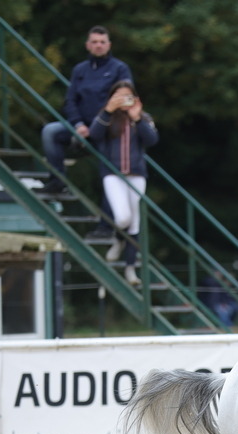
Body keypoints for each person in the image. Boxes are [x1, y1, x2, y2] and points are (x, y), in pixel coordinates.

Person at [38, 26, 132, 208]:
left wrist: (99, 125)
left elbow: (125, 100)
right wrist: (79, 124)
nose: (98, 46)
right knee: (50, 131)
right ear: (87, 45)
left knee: (109, 175)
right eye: (95, 42)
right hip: (81, 127)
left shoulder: (120, 69)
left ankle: (107, 224)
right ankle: (57, 181)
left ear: (109, 45)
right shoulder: (79, 70)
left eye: (102, 42)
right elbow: (70, 101)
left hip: (107, 130)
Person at [89, 80, 159, 286]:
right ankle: (118, 239)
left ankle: (130, 268)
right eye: (118, 96)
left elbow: (152, 140)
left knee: (135, 222)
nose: (123, 100)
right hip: (112, 173)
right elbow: (94, 135)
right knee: (122, 218)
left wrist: (137, 118)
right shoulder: (107, 117)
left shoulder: (143, 118)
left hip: (136, 174)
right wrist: (108, 110)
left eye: (127, 96)